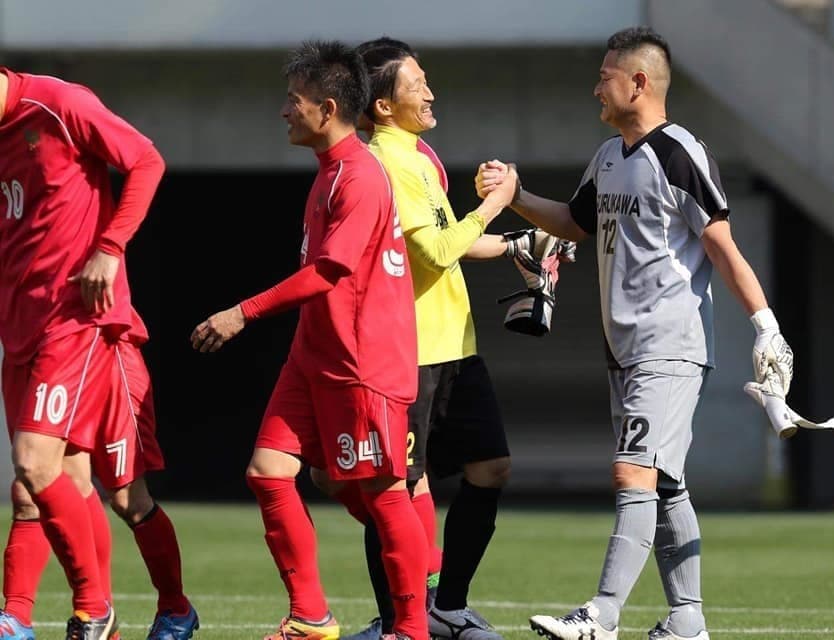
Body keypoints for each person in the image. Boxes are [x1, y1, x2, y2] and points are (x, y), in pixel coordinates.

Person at [475, 27, 795, 640]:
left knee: (632, 474)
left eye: (605, 76)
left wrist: (765, 327)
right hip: (623, 351)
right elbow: (573, 223)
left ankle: (602, 614)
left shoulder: (679, 153)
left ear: (638, 82)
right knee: (665, 483)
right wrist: (516, 196)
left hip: (668, 345)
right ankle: (687, 621)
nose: (596, 88)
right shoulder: (607, 157)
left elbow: (721, 246)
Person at [191, 40, 507, 640]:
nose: (285, 110)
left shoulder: (361, 175)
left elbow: (328, 272)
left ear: (328, 107)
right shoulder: (330, 172)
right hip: (313, 354)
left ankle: (411, 627)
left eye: (295, 100)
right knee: (269, 472)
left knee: (385, 491)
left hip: (361, 360)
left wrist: (241, 313)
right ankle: (311, 616)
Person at [337, 38, 526, 640]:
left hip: (457, 346)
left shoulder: (420, 156)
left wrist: (520, 244)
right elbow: (438, 249)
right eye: (417, 84)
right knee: (393, 488)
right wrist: (496, 204)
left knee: (491, 467)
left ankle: (448, 606)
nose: (430, 93)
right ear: (383, 106)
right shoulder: (385, 163)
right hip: (409, 352)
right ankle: (397, 620)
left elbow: (453, 242)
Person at [0, 68, 198, 640]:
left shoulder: (59, 104)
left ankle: (117, 608)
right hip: (20, 329)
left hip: (80, 321)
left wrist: (109, 248)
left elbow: (146, 160)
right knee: (41, 484)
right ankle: (28, 616)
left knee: (91, 483)